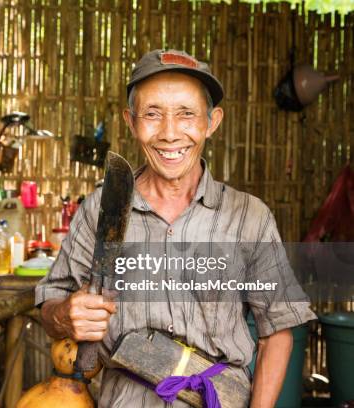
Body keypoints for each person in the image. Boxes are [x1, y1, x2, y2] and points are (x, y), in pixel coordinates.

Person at [35, 49, 316, 407]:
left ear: (211, 122)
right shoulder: (102, 210)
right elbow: (50, 303)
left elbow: (276, 331)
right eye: (152, 114)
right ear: (131, 121)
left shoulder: (249, 217)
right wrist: (65, 315)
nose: (169, 133)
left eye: (186, 115)